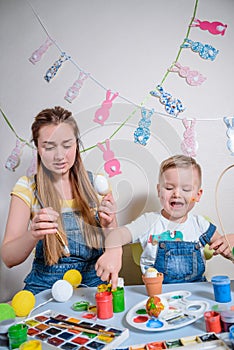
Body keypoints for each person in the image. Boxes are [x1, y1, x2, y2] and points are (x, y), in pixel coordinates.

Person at [1, 106, 120, 295]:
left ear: (77, 144)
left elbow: (113, 239)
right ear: (38, 148)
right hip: (44, 286)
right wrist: (33, 234)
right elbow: (8, 258)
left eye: (67, 145)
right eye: (49, 147)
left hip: (92, 283)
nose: (59, 156)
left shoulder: (96, 184)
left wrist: (112, 235)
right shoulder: (27, 188)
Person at [95, 155, 233, 285]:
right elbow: (117, 235)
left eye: (186, 189)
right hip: (158, 298)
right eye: (169, 188)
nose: (177, 194)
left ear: (197, 195)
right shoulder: (148, 222)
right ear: (159, 191)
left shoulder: (200, 225)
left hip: (197, 297)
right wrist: (112, 241)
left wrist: (231, 244)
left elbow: (227, 250)